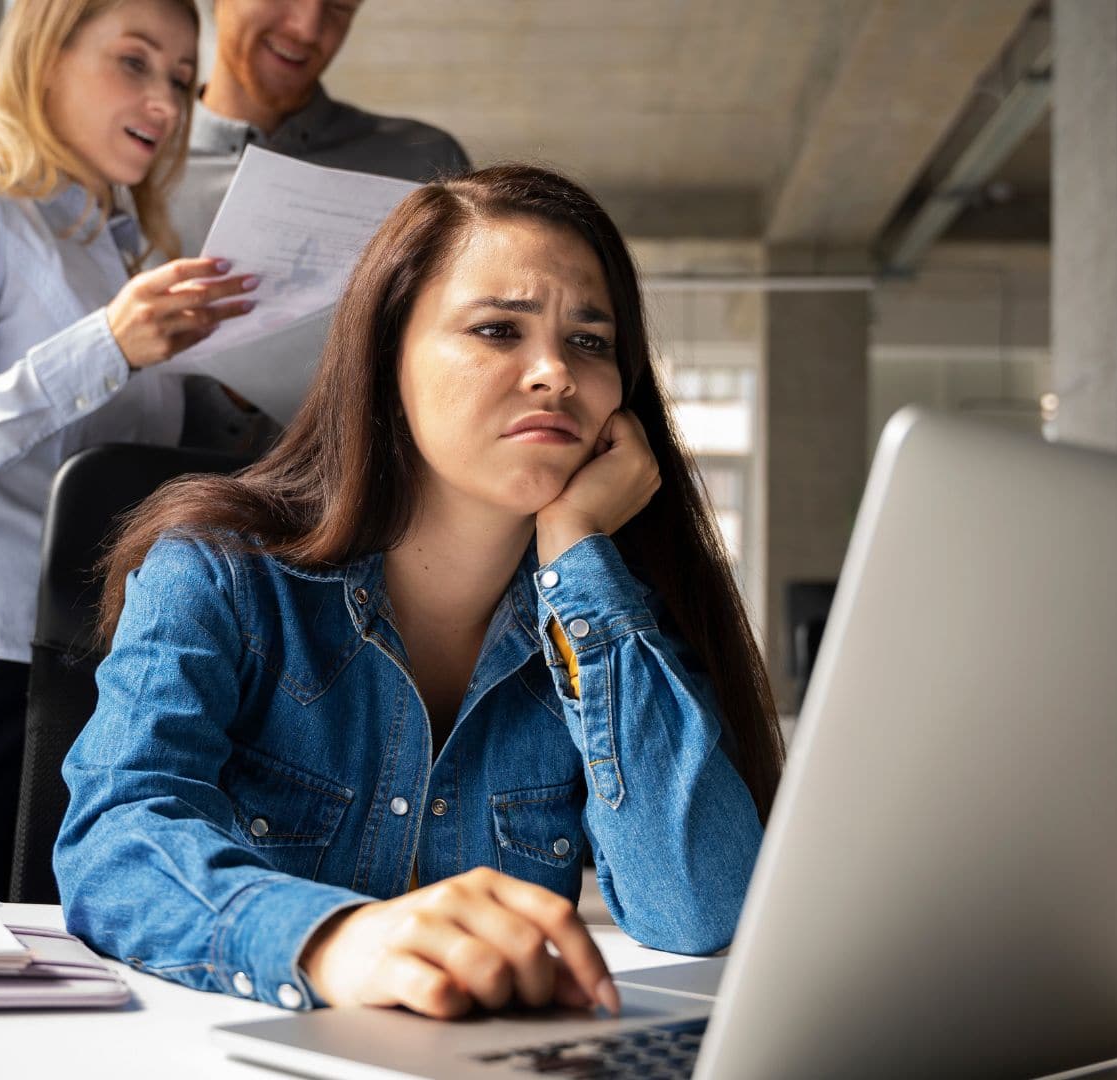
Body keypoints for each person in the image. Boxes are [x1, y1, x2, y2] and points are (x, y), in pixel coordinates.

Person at [56, 165, 785, 1017]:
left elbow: (700, 909)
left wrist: (578, 551)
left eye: (590, 341)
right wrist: (332, 939)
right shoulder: (217, 572)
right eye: (497, 330)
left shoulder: (605, 626)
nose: (554, 372)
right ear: (386, 359)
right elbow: (115, 838)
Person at [0, 0, 262, 900]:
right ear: (45, 57)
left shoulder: (128, 256)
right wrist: (105, 346)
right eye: (135, 61)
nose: (165, 101)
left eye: (183, 80)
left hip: (110, 683)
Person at [170, 0, 473, 257]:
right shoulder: (131, 170)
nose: (307, 30)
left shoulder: (425, 165)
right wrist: (121, 328)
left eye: (339, 4)